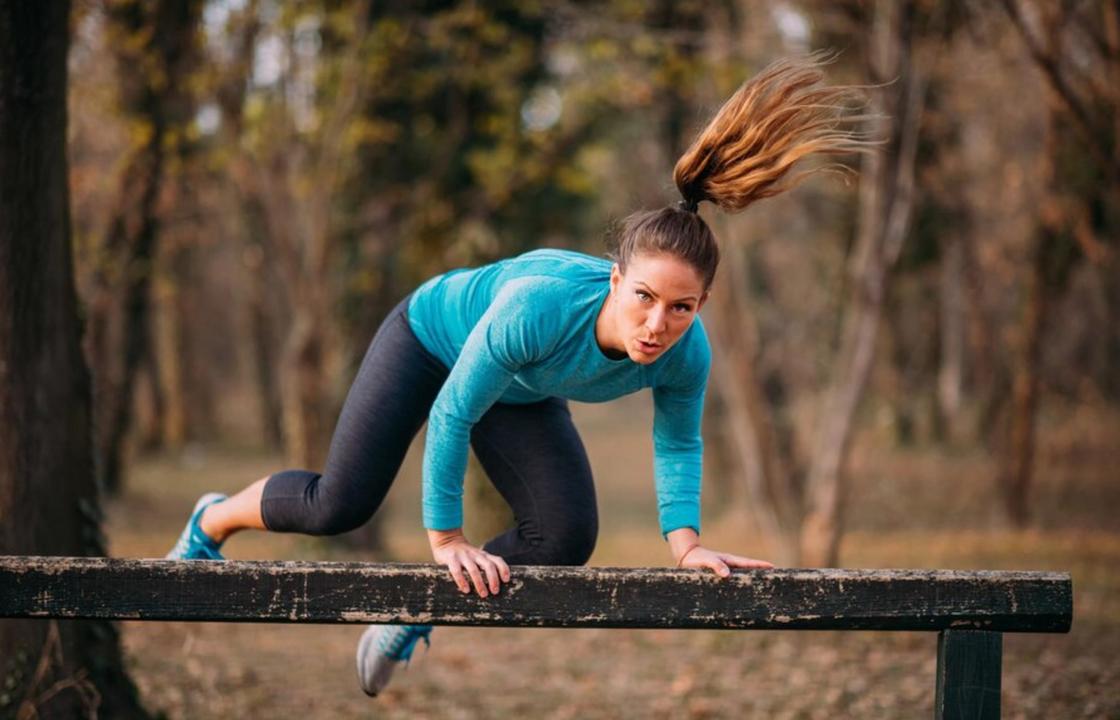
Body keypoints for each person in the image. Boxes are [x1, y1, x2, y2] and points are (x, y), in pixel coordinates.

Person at [166, 54, 870, 697]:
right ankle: (212, 520)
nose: (657, 324)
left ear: (702, 305)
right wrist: (446, 543)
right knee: (338, 505)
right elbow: (451, 414)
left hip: (522, 385)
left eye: (680, 308)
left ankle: (411, 613)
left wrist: (684, 545)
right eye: (644, 299)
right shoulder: (538, 307)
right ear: (616, 281)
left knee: (563, 536)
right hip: (433, 337)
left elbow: (678, 444)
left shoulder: (689, 353)